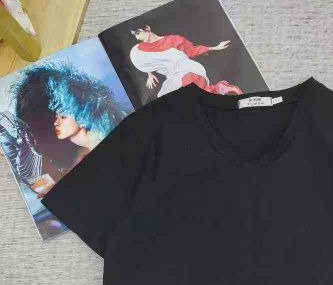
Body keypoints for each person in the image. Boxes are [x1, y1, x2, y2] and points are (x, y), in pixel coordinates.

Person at [10, 62, 127, 197]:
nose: (55, 123)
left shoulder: (103, 140)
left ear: (81, 112)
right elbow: (45, 191)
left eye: (63, 116)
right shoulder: (70, 156)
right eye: (51, 117)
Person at [129, 25, 243, 97]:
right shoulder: (141, 49)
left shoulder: (174, 40)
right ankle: (219, 88)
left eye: (138, 33)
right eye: (135, 36)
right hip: (173, 77)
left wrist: (215, 47)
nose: (138, 37)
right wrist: (149, 74)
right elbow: (147, 62)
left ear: (147, 28)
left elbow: (192, 51)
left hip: (187, 70)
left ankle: (220, 88)